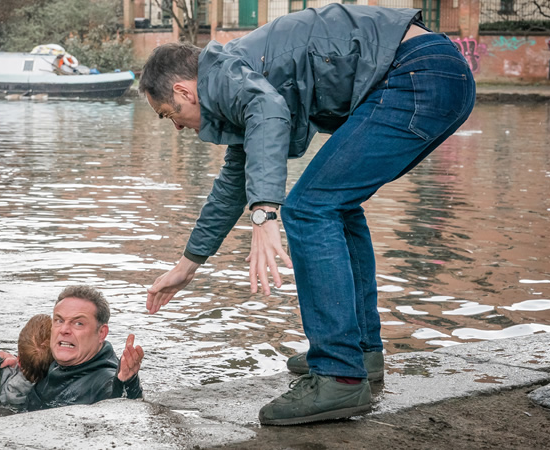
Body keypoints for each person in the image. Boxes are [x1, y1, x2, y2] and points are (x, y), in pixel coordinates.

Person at [138, 4, 475, 426]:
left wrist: (264, 215)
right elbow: (231, 185)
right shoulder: (238, 76)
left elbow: (269, 113)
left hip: (416, 75)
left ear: (186, 92)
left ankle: (338, 376)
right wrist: (188, 266)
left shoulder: (224, 74)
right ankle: (360, 354)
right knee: (336, 205)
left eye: (170, 115)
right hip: (436, 73)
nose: (178, 127)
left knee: (309, 209)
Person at [25, 285, 144, 410]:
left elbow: (122, 410)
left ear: (101, 333)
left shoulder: (103, 380)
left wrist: (127, 383)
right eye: (59, 320)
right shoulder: (48, 366)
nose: (64, 330)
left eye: (78, 323)